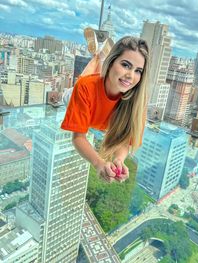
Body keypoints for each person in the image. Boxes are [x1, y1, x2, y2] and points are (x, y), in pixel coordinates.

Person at [61, 34, 149, 183]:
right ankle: (99, 56)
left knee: (110, 80)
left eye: (138, 71)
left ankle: (101, 55)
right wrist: (99, 163)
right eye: (126, 65)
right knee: (85, 80)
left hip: (103, 90)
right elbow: (78, 138)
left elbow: (125, 141)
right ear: (112, 61)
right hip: (73, 97)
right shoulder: (85, 88)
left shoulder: (137, 102)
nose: (130, 75)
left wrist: (119, 159)